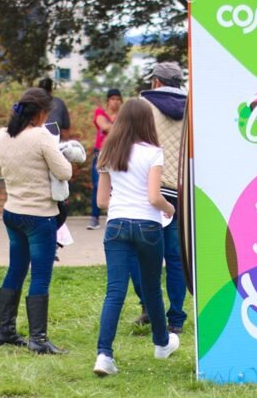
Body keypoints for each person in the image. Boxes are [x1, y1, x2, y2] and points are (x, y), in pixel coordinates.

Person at [93, 99, 180, 376]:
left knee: (114, 291)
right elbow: (154, 197)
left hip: (116, 225)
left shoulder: (108, 152)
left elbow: (102, 201)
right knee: (152, 288)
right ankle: (161, 343)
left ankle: (104, 355)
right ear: (147, 122)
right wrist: (171, 209)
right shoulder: (154, 153)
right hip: (148, 226)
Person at [0, 87, 72, 354]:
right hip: (40, 216)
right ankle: (38, 338)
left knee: (16, 269)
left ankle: (5, 330)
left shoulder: (2, 135)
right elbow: (65, 172)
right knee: (40, 275)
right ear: (39, 113)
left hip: (12, 212)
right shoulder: (41, 137)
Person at [131, 62, 188, 334]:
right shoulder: (192, 108)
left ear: (156, 81)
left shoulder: (143, 106)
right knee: (175, 258)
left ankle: (149, 307)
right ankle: (176, 318)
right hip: (180, 191)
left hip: (149, 189)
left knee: (140, 254)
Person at [87, 88, 122, 230]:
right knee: (97, 184)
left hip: (118, 152)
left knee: (117, 185)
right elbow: (104, 126)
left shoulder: (123, 114)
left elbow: (112, 128)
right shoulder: (99, 112)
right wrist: (117, 127)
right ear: (108, 101)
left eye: (118, 99)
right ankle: (94, 218)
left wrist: (112, 127)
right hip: (100, 152)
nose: (116, 102)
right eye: (113, 99)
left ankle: (113, 216)